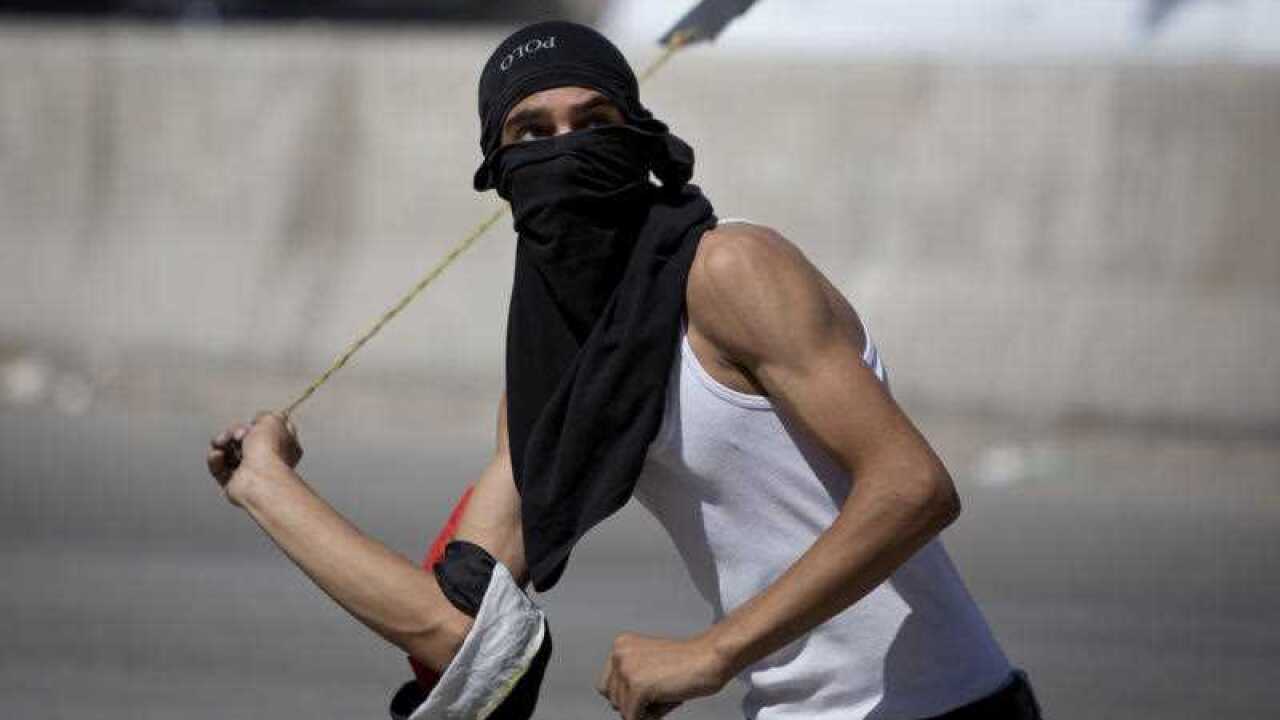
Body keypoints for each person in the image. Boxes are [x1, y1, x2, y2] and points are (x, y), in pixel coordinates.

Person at [206, 20, 1043, 720]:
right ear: (498, 172)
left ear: (639, 139)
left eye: (594, 121)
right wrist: (267, 487)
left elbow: (913, 486)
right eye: (530, 134)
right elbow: (458, 633)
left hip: (948, 709)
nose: (565, 149)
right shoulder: (559, 375)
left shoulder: (729, 270)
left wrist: (711, 654)